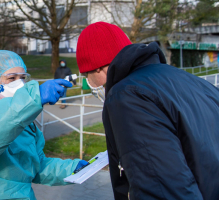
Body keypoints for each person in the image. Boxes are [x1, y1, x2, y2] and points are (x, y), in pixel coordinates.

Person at [76, 22, 219, 199]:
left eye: (86, 75)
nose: (89, 83)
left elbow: (161, 188)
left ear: (98, 68)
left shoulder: (127, 96)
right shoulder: (189, 80)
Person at [0, 50, 89, 200]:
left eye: (23, 78)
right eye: (11, 78)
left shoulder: (21, 117)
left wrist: (72, 169)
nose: (19, 84)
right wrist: (31, 98)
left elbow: (35, 165)